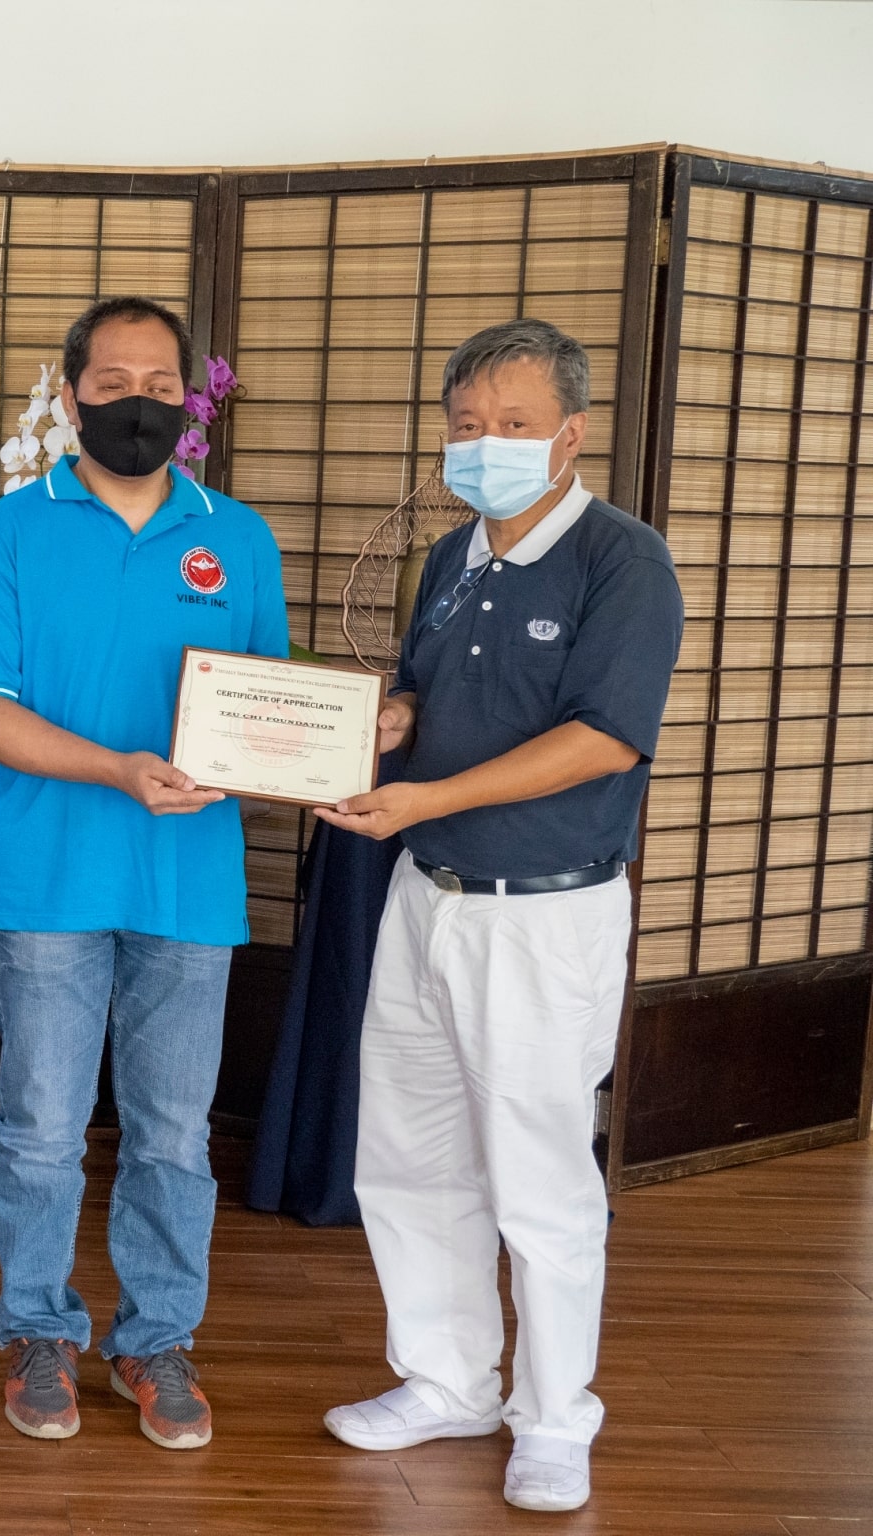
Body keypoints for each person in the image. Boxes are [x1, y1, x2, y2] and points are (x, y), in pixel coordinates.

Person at [316, 319, 684, 1514]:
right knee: (411, 1160)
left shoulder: (624, 563)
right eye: (466, 427)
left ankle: (552, 1417)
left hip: (542, 914)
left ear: (569, 436)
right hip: (425, 898)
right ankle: (445, 1379)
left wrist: (432, 792)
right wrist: (390, 726)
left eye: (513, 428)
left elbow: (603, 737)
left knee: (537, 1179)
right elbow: (433, 694)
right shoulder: (446, 558)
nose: (486, 447)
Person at [0, 297, 291, 1451]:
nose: (132, 400)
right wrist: (117, 769)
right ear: (71, 391)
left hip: (189, 885)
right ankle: (37, 1331)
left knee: (173, 1135)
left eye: (156, 381)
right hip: (48, 878)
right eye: (108, 381)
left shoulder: (233, 537)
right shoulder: (4, 534)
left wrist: (313, 746)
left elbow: (271, 712)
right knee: (40, 1125)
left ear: (188, 399)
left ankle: (155, 1342)